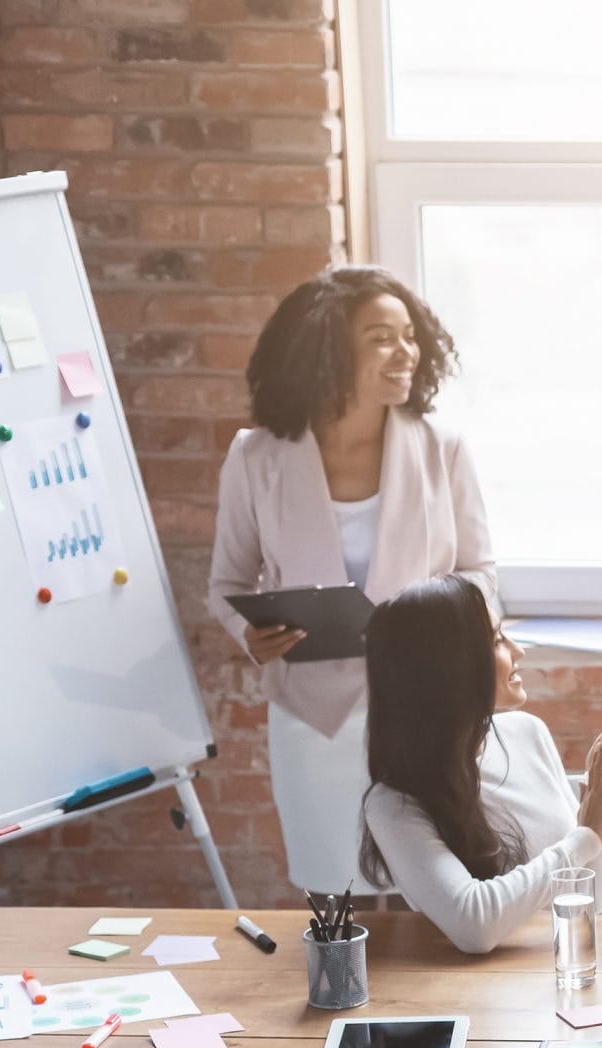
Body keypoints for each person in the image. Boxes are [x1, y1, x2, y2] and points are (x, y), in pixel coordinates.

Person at [210, 266, 495, 895]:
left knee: (435, 895)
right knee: (334, 898)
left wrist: (440, 631)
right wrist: (249, 634)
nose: (407, 353)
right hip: (315, 717)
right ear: (328, 350)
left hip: (426, 707)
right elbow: (227, 580)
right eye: (381, 338)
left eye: (410, 336)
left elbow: (479, 571)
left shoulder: (441, 447)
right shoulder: (257, 458)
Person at [357, 576, 602, 954]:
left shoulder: (528, 733)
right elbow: (474, 925)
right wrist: (586, 836)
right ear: (448, 666)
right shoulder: (392, 804)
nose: (519, 650)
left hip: (554, 973)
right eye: (498, 640)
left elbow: (590, 899)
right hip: (469, 997)